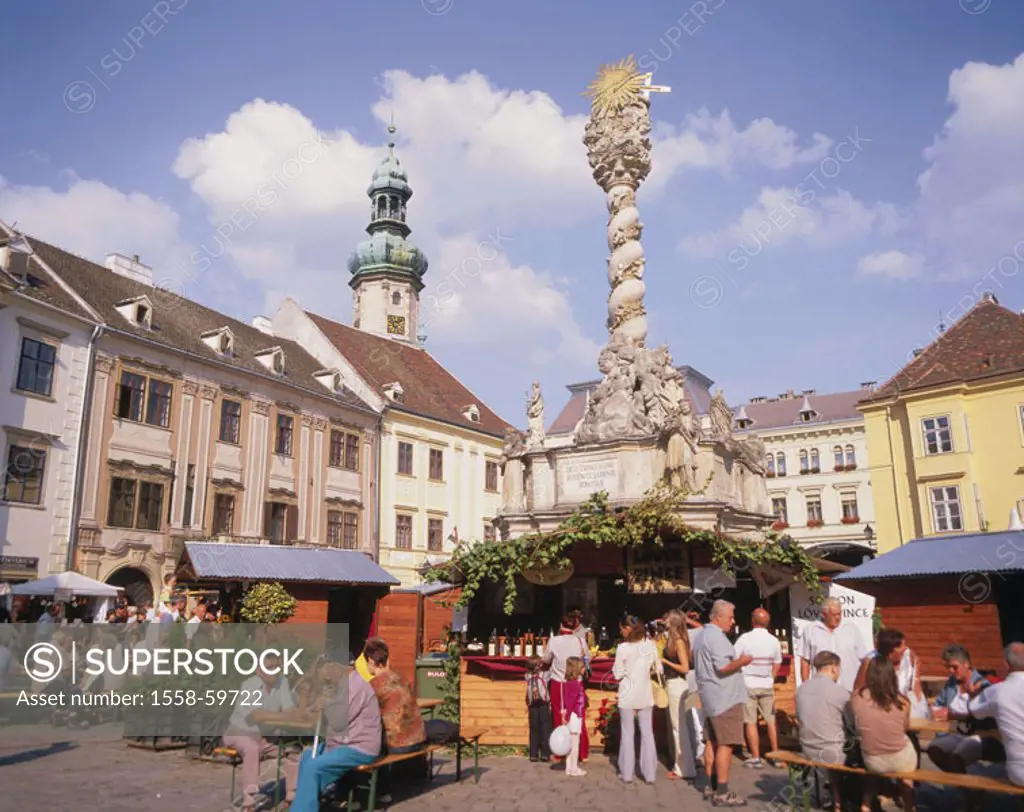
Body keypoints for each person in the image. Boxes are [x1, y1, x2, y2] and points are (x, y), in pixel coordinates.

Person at [288, 662, 382, 812]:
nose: (326, 675)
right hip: (341, 743)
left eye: (328, 669)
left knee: (314, 767)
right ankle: (307, 804)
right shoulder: (341, 685)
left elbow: (339, 722)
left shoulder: (356, 687)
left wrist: (325, 704)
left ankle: (303, 808)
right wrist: (313, 707)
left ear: (338, 668)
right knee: (307, 757)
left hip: (359, 746)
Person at [695, 599, 752, 807]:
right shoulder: (716, 637)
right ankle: (723, 790)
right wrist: (742, 661)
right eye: (730, 617)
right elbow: (723, 667)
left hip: (711, 696)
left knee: (712, 741)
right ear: (718, 617)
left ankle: (711, 785)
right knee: (726, 744)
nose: (733, 621)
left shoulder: (702, 634)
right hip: (724, 697)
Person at [222, 652, 296, 811]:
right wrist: (282, 716)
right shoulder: (249, 685)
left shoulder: (282, 682)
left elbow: (289, 709)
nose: (274, 671)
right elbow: (256, 716)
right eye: (269, 667)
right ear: (258, 670)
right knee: (251, 748)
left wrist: (280, 716)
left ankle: (292, 794)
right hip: (240, 731)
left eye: (277, 667)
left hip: (265, 736)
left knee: (292, 750)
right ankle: (249, 798)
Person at [850, 656, 916, 811]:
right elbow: (904, 728)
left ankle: (866, 804)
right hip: (899, 759)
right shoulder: (903, 701)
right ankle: (909, 805)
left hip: (872, 760)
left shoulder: (856, 698)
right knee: (906, 764)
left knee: (871, 769)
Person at [959, 642, 1024, 786]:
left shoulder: (997, 691)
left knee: (974, 767)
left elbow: (975, 711)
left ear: (1007, 664)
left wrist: (972, 695)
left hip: (1019, 771)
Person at [927, 643, 997, 774]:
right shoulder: (951, 683)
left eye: (954, 667)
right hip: (953, 732)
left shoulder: (982, 685)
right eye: (948, 667)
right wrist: (935, 710)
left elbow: (985, 716)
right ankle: (961, 780)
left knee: (958, 757)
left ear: (966, 664)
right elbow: (940, 702)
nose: (951, 671)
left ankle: (967, 789)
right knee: (934, 749)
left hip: (977, 733)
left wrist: (953, 715)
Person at [797, 651, 853, 812]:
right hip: (833, 752)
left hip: (808, 748)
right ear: (834, 669)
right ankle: (861, 802)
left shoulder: (801, 689)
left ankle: (836, 800)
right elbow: (852, 723)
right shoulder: (841, 692)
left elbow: (800, 717)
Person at [612, 614, 660, 784]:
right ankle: (650, 774)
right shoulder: (650, 645)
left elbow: (617, 673)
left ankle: (626, 773)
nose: (621, 631)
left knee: (627, 733)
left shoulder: (622, 648)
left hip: (627, 693)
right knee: (647, 733)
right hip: (645, 692)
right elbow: (658, 669)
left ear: (628, 629)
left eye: (621, 628)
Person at [733, 608, 782, 769]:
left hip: (748, 684)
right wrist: (771, 677)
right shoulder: (774, 640)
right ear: (767, 622)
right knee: (771, 721)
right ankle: (775, 756)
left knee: (750, 722)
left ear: (752, 621)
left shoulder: (744, 639)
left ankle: (755, 757)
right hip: (766, 684)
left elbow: (734, 659)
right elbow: (777, 662)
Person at [362, 638, 426, 753]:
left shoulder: (373, 685)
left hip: (397, 745)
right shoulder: (401, 678)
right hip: (419, 739)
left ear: (371, 661)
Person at [543, 611, 591, 762]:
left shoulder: (554, 640)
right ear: (575, 626)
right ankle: (582, 752)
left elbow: (545, 659)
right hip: (576, 682)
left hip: (559, 683)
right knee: (577, 716)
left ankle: (561, 751)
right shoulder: (580, 641)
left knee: (560, 716)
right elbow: (588, 659)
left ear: (560, 625)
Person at [798, 597, 868, 693]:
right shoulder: (810, 630)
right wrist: (807, 688)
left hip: (849, 690)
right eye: (834, 615)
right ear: (823, 614)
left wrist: (860, 687)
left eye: (839, 614)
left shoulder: (851, 629)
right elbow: (805, 661)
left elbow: (865, 659)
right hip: (821, 691)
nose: (838, 617)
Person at [661, 609, 696, 780]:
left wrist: (665, 661)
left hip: (677, 684)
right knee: (677, 726)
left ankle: (683, 767)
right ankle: (681, 764)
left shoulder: (679, 641)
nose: (664, 622)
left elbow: (685, 668)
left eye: (667, 620)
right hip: (672, 683)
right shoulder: (673, 639)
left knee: (678, 727)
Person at [561, 656, 587, 777]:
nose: (584, 669)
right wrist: (566, 717)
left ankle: (569, 767)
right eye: (582, 667)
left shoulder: (569, 683)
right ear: (577, 669)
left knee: (570, 743)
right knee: (575, 742)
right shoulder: (575, 684)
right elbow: (571, 702)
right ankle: (574, 768)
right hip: (575, 715)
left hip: (573, 714)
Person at [525, 655, 552, 762]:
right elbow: (551, 671)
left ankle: (533, 754)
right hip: (543, 705)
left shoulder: (527, 676)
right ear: (538, 666)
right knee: (545, 729)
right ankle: (545, 754)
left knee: (534, 730)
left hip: (532, 706)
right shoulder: (544, 675)